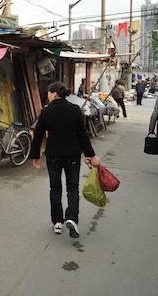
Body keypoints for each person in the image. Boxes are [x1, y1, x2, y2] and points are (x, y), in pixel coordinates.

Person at [30, 82, 101, 239]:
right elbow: (82, 134)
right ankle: (71, 218)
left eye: (48, 93)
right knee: (72, 188)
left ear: (55, 94)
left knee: (55, 188)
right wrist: (91, 155)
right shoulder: (75, 110)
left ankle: (57, 222)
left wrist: (36, 156)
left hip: (53, 155)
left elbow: (38, 134)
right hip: (72, 155)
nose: (47, 96)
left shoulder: (46, 112)